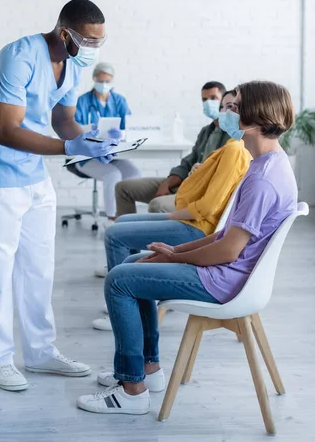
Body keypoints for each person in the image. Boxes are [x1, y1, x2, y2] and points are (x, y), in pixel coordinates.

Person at [77, 80, 297, 415]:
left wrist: (177, 254)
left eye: (235, 106)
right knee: (138, 262)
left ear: (254, 114)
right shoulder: (266, 165)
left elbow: (227, 252)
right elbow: (226, 234)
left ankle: (131, 390)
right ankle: (146, 371)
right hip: (228, 272)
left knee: (119, 280)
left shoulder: (263, 179)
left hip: (224, 280)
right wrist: (174, 252)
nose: (229, 111)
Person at [0, 0, 120, 392]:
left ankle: (40, 351)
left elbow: (62, 119)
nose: (94, 50)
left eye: (100, 41)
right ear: (66, 33)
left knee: (39, 265)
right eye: (89, 41)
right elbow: (8, 130)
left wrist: (92, 138)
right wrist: (70, 149)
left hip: (33, 176)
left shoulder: (72, 63)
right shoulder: (18, 57)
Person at [92, 89, 251, 331]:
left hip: (197, 226)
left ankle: (123, 305)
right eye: (225, 107)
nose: (225, 112)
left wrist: (172, 214)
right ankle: (127, 300)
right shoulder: (223, 142)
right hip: (194, 216)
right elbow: (198, 171)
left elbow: (209, 206)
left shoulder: (234, 149)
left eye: (232, 108)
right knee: (122, 221)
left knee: (115, 234)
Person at [115, 81, 230, 217]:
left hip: (200, 191)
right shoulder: (206, 131)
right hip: (185, 183)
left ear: (224, 100)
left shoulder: (232, 136)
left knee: (157, 205)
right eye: (204, 100)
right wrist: (167, 183)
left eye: (213, 98)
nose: (208, 103)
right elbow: (188, 162)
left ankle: (156, 237)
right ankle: (126, 234)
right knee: (123, 188)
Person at [74, 62, 140, 220]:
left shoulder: (120, 101)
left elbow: (129, 127)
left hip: (112, 155)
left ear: (112, 81)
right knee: (113, 174)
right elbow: (75, 130)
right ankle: (113, 218)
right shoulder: (82, 101)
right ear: (94, 79)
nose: (104, 85)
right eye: (100, 81)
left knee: (135, 173)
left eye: (107, 81)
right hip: (86, 157)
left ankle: (128, 216)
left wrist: (120, 133)